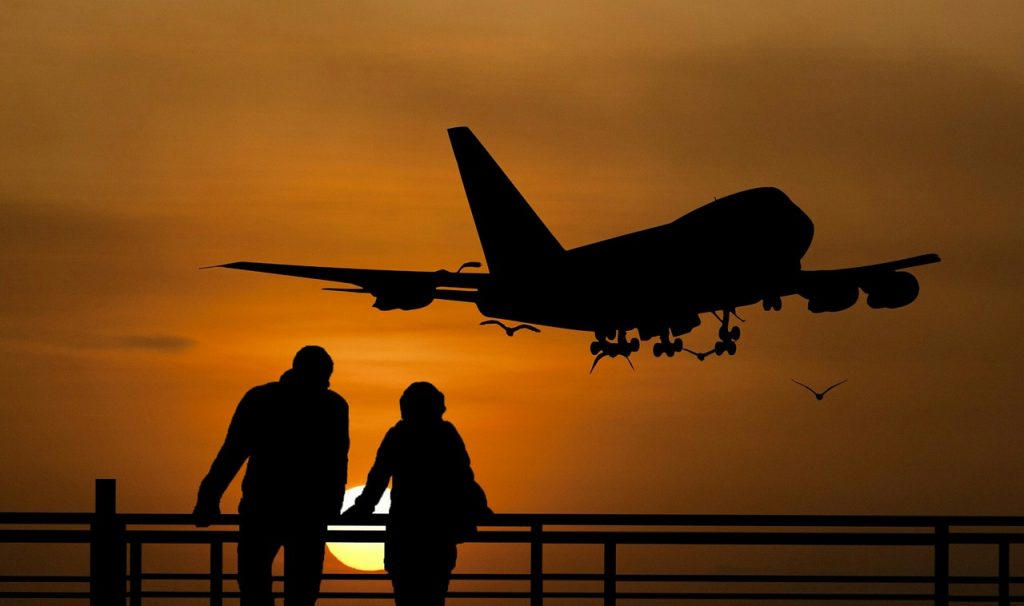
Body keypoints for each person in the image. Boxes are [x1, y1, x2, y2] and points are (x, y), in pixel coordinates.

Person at [193, 345, 349, 606]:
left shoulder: (261, 398)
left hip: (264, 506)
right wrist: (333, 505)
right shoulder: (332, 406)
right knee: (300, 588)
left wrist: (209, 497)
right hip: (305, 511)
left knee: (256, 584)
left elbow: (232, 452)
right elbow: (337, 461)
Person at [344, 382, 491, 606]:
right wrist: (479, 508)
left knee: (406, 598)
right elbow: (463, 478)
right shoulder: (446, 435)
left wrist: (362, 509)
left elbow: (378, 479)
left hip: (406, 531)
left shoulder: (398, 436)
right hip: (438, 531)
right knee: (434, 597)